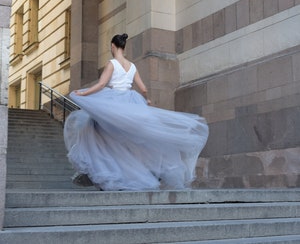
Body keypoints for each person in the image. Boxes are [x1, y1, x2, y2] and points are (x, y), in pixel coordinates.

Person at [64, 33, 209, 191]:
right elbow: (144, 88)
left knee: (93, 130)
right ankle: (127, 171)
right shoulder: (132, 66)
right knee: (128, 140)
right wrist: (146, 99)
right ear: (124, 47)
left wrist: (83, 94)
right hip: (131, 102)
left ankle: (102, 172)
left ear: (113, 46)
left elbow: (101, 84)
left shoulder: (112, 63)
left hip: (115, 102)